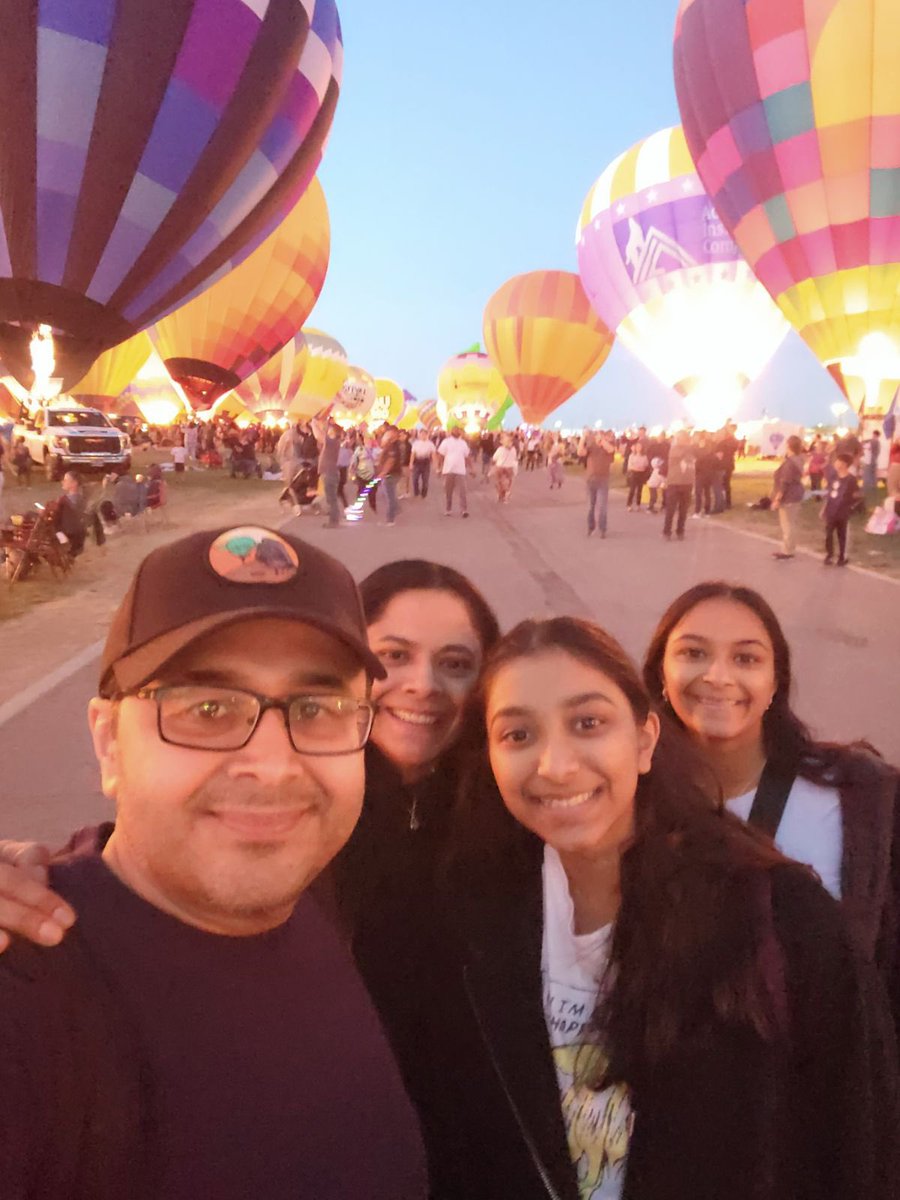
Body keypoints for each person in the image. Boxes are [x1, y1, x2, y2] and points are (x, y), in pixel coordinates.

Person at [0, 558, 500, 1196]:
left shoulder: (306, 895)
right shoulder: (31, 984)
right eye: (208, 707)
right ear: (109, 742)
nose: (272, 765)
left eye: (316, 708)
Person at [433, 615, 898, 1198]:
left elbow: (858, 1139)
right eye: (518, 735)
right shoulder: (475, 919)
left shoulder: (776, 917)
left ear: (646, 740)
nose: (555, 765)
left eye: (588, 723)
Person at [642, 581, 899, 1035]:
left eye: (746, 658)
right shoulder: (630, 801)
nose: (718, 676)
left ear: (776, 679)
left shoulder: (860, 795)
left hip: (826, 1079)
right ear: (661, 672)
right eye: (693, 653)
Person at [771, 434, 806, 560]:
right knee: (791, 523)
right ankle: (789, 547)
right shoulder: (799, 459)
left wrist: (777, 499)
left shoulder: (790, 463)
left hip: (789, 496)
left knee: (787, 524)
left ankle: (787, 550)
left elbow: (784, 483)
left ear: (789, 446)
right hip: (796, 494)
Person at [822, 451, 860, 566]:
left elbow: (857, 495)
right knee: (828, 533)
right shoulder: (833, 477)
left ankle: (842, 557)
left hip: (843, 512)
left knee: (842, 535)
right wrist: (824, 508)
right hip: (831, 510)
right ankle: (829, 554)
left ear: (844, 464)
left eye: (838, 461)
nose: (835, 463)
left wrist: (850, 506)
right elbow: (829, 493)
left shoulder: (851, 479)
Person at [579, 429, 616, 538]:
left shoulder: (608, 446)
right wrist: (583, 438)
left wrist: (602, 440)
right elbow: (580, 452)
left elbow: (611, 450)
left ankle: (602, 529)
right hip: (591, 479)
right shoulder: (591, 447)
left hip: (603, 480)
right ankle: (591, 527)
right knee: (591, 506)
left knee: (602, 506)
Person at [662, 429, 695, 540]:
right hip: (674, 482)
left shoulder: (690, 450)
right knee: (671, 509)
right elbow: (681, 455)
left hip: (687, 482)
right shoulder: (674, 449)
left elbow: (699, 456)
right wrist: (690, 446)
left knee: (683, 510)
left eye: (684, 438)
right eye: (680, 438)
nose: (682, 440)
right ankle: (667, 532)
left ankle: (680, 531)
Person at [437, 427, 469, 517]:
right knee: (448, 491)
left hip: (460, 470)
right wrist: (438, 467)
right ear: (451, 432)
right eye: (455, 430)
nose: (457, 432)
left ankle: (464, 510)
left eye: (458, 430)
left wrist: (472, 468)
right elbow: (441, 455)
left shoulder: (463, 443)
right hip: (448, 470)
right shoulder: (446, 442)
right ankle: (448, 509)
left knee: (462, 491)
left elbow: (467, 456)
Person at [376, 426, 403, 527]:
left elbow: (391, 461)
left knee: (389, 496)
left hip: (391, 474)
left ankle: (390, 519)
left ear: (393, 433)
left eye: (388, 433)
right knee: (386, 494)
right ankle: (396, 508)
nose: (386, 434)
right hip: (390, 474)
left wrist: (383, 472)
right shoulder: (390, 444)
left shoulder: (394, 446)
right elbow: (382, 447)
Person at [56, 471, 87, 556]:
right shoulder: (81, 499)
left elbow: (56, 516)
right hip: (80, 535)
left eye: (65, 480)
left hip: (68, 534)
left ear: (74, 483)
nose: (62, 482)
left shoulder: (64, 500)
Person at [491, 432, 519, 503]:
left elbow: (494, 458)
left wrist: (492, 465)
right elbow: (515, 458)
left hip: (500, 467)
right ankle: (506, 495)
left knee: (499, 482)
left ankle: (500, 495)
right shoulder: (513, 449)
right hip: (509, 468)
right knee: (508, 482)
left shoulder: (500, 449)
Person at [410, 427, 436, 499]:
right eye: (422, 434)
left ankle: (424, 493)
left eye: (425, 434)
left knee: (425, 480)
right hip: (417, 462)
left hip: (426, 462)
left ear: (427, 435)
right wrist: (411, 463)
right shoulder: (416, 443)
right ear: (419, 435)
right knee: (415, 479)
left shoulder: (430, 444)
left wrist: (435, 464)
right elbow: (413, 454)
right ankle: (416, 492)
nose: (423, 435)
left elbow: (433, 454)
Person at [624, 438, 649, 511]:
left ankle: (638, 504)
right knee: (632, 489)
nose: (638, 448)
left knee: (640, 490)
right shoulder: (632, 456)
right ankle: (629, 504)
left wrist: (639, 467)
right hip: (634, 473)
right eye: (637, 447)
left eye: (640, 447)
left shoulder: (644, 456)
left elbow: (645, 465)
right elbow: (630, 466)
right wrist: (637, 467)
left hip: (641, 474)